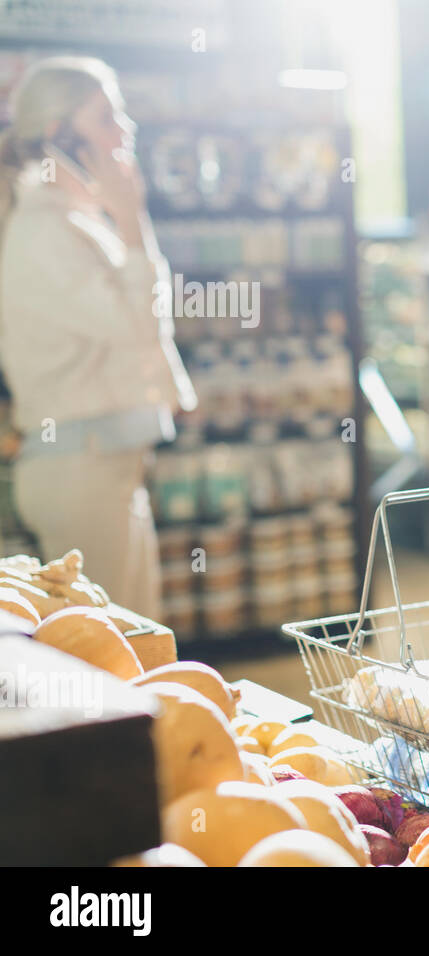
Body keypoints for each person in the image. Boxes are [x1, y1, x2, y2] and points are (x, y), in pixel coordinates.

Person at [0, 57, 194, 619]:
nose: (125, 128)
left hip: (104, 466)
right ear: (60, 135)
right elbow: (137, 325)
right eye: (107, 116)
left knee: (139, 644)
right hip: (78, 471)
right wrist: (133, 219)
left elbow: (144, 324)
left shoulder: (75, 221)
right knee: (117, 660)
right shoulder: (45, 232)